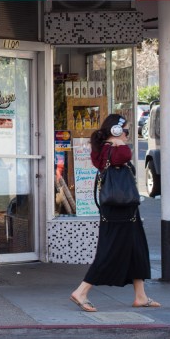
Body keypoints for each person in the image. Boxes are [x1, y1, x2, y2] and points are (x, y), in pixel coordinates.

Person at [69, 113, 159, 312]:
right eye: (125, 131)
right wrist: (117, 141)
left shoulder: (106, 150)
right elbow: (126, 155)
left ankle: (140, 296)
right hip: (118, 210)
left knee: (137, 249)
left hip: (126, 208)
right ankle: (81, 291)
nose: (127, 135)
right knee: (109, 251)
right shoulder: (113, 150)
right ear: (115, 130)